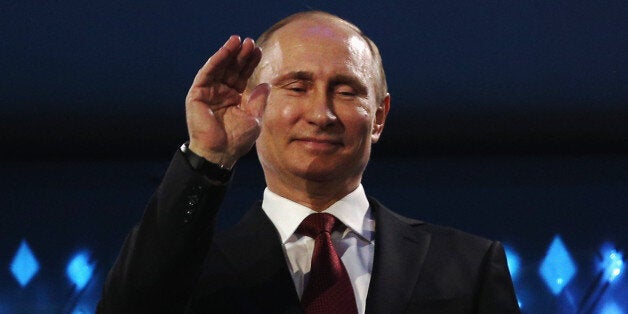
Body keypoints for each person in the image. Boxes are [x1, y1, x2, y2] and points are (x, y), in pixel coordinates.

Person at [97, 11, 520, 314]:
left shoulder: (468, 266)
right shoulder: (194, 272)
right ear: (251, 102)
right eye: (296, 86)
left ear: (379, 117)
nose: (321, 114)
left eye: (346, 90)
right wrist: (210, 156)